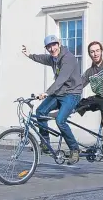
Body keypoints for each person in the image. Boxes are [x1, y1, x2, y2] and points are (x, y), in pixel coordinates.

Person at [22, 35, 82, 164]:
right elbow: (43, 58)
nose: (52, 48)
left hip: (72, 93)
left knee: (60, 120)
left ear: (59, 44)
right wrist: (30, 55)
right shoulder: (53, 58)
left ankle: (75, 149)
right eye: (49, 47)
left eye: (54, 45)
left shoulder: (68, 59)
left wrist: (46, 93)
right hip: (59, 93)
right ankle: (45, 143)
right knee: (40, 112)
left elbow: (61, 80)